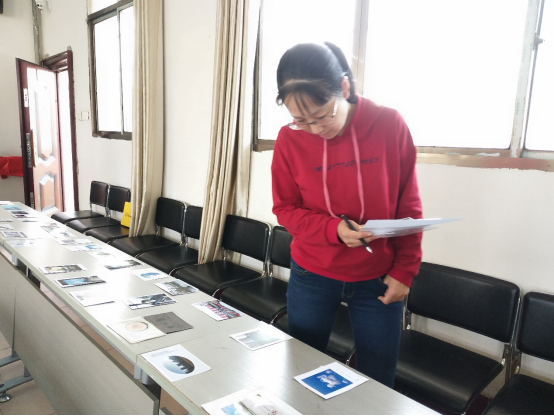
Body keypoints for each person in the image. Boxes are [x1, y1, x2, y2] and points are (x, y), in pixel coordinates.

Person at [271, 42, 423, 388]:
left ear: (343, 87)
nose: (315, 129)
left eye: (322, 115)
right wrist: (333, 229)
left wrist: (405, 271)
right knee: (303, 371)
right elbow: (285, 209)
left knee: (378, 379)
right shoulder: (289, 139)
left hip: (377, 277)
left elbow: (409, 208)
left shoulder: (388, 124)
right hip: (312, 273)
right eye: (301, 121)